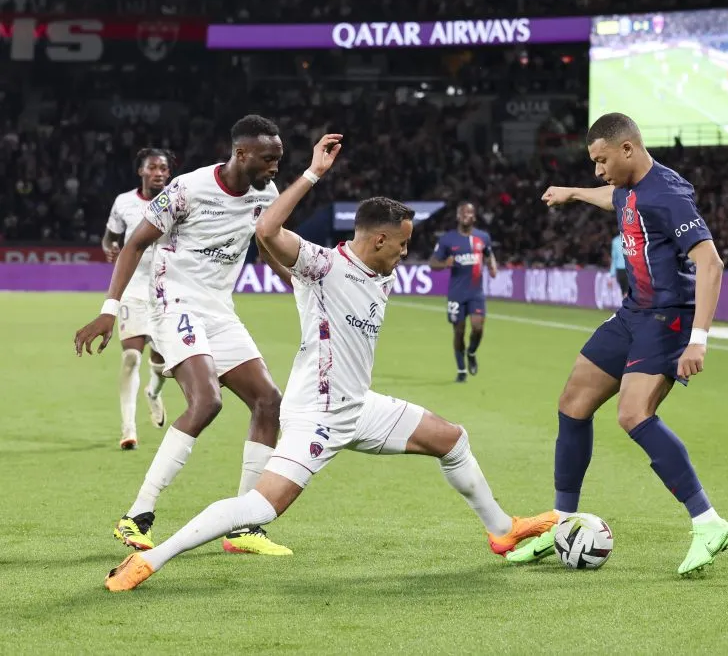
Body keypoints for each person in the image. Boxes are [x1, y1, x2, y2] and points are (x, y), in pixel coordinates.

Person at [103, 134, 557, 592]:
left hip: (358, 405)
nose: (405, 253)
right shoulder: (322, 266)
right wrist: (312, 173)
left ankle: (502, 530)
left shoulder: (378, 272)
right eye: (402, 244)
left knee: (453, 440)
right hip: (317, 415)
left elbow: (276, 244)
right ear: (379, 239)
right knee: (260, 508)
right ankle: (150, 560)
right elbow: (267, 232)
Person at [505, 113, 728, 577]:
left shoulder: (668, 195)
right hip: (633, 313)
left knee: (633, 414)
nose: (598, 170)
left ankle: (709, 523)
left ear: (627, 149)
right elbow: (611, 197)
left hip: (669, 318)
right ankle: (562, 522)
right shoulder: (627, 186)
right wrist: (573, 192)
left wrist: (699, 340)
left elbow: (711, 264)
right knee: (573, 403)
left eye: (601, 160)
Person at [74, 115, 294, 556]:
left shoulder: (265, 194)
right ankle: (137, 515)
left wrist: (301, 284)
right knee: (207, 402)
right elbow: (135, 244)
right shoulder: (187, 189)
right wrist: (108, 311)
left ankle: (244, 526)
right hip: (173, 303)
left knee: (269, 401)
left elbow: (268, 244)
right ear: (241, 154)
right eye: (268, 159)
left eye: (279, 159)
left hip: (219, 310)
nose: (275, 167)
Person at [101, 149, 172, 449]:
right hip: (132, 288)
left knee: (164, 361)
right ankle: (128, 429)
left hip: (167, 290)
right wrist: (109, 248)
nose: (159, 173)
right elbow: (110, 237)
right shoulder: (124, 202)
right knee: (131, 357)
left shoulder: (178, 199)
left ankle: (153, 392)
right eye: (152, 167)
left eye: (163, 168)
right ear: (141, 171)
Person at [429, 202, 498, 382]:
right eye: (463, 212)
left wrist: (492, 266)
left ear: (474, 216)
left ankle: (472, 352)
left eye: (470, 212)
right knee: (459, 332)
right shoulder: (447, 239)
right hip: (456, 293)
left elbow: (489, 254)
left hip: (476, 293)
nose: (466, 215)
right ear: (458, 216)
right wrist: (445, 264)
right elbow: (433, 263)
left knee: (478, 327)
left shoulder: (483, 237)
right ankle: (461, 370)